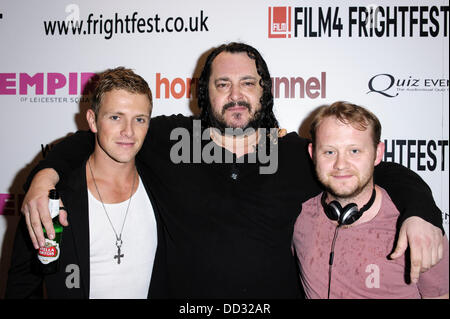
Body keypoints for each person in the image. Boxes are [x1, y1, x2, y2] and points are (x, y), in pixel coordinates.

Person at [20, 43, 444, 298]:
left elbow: (374, 169)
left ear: (265, 92)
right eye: (223, 84)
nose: (236, 95)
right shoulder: (168, 139)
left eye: (248, 83)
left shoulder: (297, 153)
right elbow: (99, 137)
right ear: (205, 93)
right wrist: (45, 175)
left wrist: (422, 213)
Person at [6, 67, 164, 298]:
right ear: (93, 120)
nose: (128, 131)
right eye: (115, 117)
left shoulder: (162, 183)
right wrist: (44, 177)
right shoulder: (52, 196)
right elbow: (23, 285)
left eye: (139, 119)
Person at [293, 101, 449, 299]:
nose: (341, 165)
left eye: (355, 151)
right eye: (329, 152)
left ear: (378, 154)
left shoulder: (418, 228)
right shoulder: (299, 215)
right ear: (312, 154)